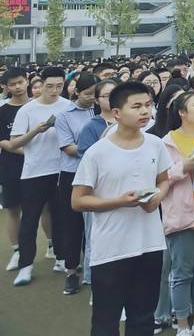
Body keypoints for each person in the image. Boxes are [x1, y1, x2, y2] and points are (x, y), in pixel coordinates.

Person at [71, 81, 170, 336]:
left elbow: (164, 179)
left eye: (148, 105)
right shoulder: (97, 152)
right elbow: (78, 200)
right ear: (116, 113)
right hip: (111, 249)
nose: (144, 111)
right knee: (106, 320)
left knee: (143, 317)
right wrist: (119, 201)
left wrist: (157, 197)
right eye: (136, 106)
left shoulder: (155, 144)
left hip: (149, 244)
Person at [9, 65, 74, 286]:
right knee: (29, 220)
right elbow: (14, 142)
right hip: (34, 171)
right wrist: (37, 130)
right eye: (49, 86)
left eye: (59, 86)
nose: (55, 90)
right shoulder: (27, 110)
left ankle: (62, 258)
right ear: (40, 85)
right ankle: (26, 265)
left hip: (61, 170)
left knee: (62, 217)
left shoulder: (68, 106)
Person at [161, 91, 194, 336]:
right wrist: (183, 167)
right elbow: (158, 178)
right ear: (182, 112)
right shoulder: (166, 142)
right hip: (181, 216)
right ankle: (182, 324)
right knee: (181, 273)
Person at [54, 72, 99, 294]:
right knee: (72, 224)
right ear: (77, 92)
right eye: (87, 93)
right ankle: (71, 271)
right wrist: (95, 153)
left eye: (95, 94)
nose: (91, 98)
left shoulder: (100, 111)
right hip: (73, 174)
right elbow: (68, 147)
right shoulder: (64, 115)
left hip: (99, 174)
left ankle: (94, 269)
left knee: (96, 225)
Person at [0, 67, 31, 273]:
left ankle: (53, 248)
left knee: (46, 207)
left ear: (27, 81)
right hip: (11, 166)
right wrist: (27, 152)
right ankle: (17, 250)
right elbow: (3, 141)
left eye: (20, 82)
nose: (18, 87)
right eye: (13, 84)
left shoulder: (39, 107)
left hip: (41, 166)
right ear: (5, 87)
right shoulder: (2, 112)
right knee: (13, 209)